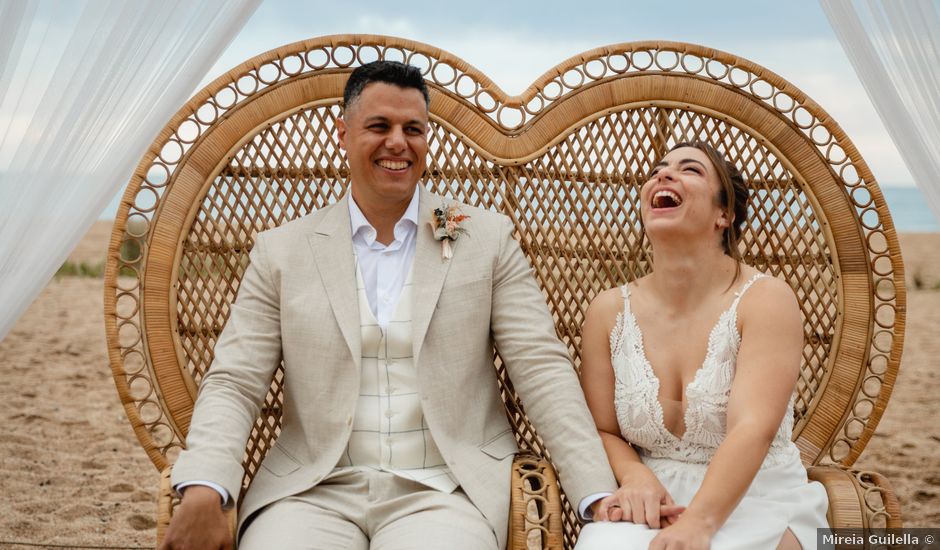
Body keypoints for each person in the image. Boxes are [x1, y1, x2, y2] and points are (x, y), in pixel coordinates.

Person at [160, 60, 617, 550]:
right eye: (379, 126)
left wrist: (596, 493)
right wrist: (206, 483)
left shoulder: (482, 235)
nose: (398, 142)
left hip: (448, 492)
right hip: (310, 492)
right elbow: (236, 380)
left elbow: (541, 367)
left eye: (413, 129)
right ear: (343, 133)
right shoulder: (283, 249)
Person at [575, 142, 829, 550]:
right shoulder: (607, 311)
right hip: (654, 500)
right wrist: (635, 476)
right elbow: (603, 429)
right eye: (658, 169)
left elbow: (753, 428)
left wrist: (700, 524)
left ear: (723, 215)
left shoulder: (765, 300)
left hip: (758, 495)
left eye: (689, 169)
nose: (664, 175)